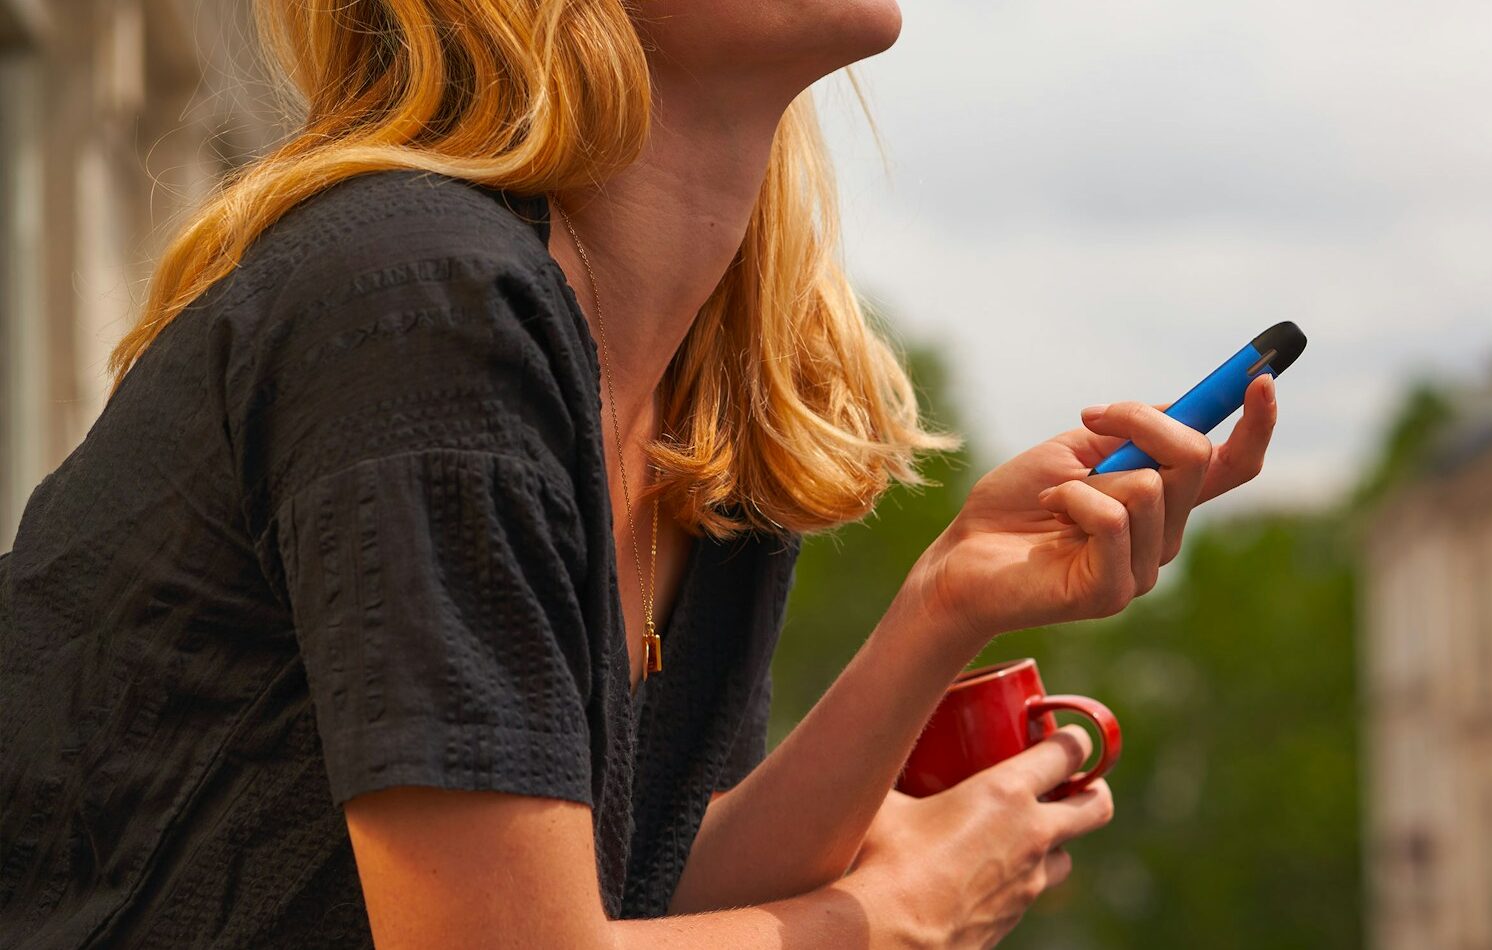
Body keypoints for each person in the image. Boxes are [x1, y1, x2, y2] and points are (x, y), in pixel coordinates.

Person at [0, 1, 1279, 947]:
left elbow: (635, 890)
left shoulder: (706, 401)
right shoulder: (424, 307)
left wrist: (950, 599)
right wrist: (893, 914)